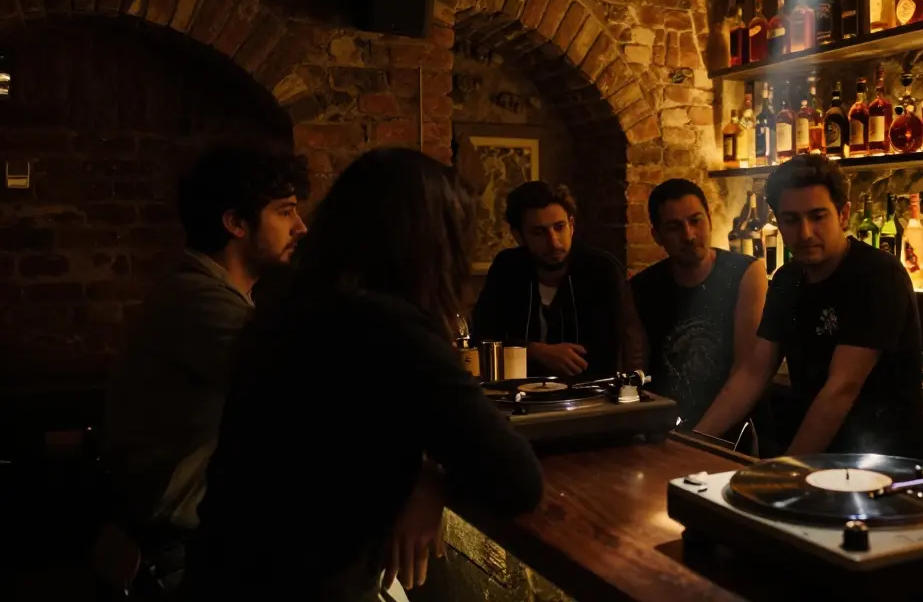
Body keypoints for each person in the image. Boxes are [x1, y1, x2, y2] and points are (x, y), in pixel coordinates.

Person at [182, 148, 543, 600]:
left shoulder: (289, 308)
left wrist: (424, 476)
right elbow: (517, 481)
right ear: (430, 243)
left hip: (220, 576)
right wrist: (432, 479)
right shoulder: (387, 326)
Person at [105, 141, 309, 557]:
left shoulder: (216, 294)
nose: (300, 227)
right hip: (177, 549)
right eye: (285, 212)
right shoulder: (197, 300)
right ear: (235, 223)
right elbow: (306, 387)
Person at [695, 155, 923, 457]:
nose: (804, 233)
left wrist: (787, 471)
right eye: (791, 220)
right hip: (818, 457)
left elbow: (840, 389)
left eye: (817, 217)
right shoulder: (787, 279)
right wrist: (693, 442)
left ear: (843, 215)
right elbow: (753, 373)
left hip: (881, 461)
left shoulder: (877, 274)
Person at [630, 179, 767, 430]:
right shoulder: (642, 287)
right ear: (657, 236)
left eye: (696, 220)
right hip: (661, 429)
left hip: (730, 429)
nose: (689, 235)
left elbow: (747, 370)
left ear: (710, 220)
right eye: (674, 227)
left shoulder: (745, 273)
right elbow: (637, 371)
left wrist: (697, 438)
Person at [472, 181, 645, 379]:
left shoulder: (601, 269)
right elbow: (483, 336)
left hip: (591, 390)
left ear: (571, 225)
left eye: (559, 227)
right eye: (539, 232)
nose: (553, 242)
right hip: (519, 392)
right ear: (519, 236)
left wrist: (632, 388)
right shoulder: (507, 268)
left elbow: (631, 339)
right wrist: (535, 350)